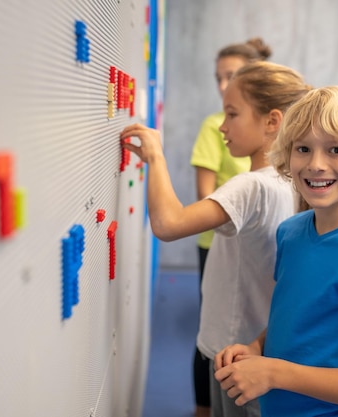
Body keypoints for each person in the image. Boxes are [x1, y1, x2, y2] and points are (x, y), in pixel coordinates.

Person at [120, 61, 311, 417]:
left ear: (272, 121)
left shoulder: (251, 185)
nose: (222, 127)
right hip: (264, 343)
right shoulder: (294, 182)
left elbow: (168, 223)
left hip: (234, 350)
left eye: (232, 114)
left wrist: (155, 156)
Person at [214, 86, 338, 416]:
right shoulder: (291, 232)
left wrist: (273, 372)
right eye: (303, 148)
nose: (316, 164)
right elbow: (292, 318)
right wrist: (257, 347)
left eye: (336, 150)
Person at [189, 37, 272, 417]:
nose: (224, 84)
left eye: (233, 76)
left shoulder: (264, 179)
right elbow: (203, 201)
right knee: (214, 333)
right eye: (219, 77)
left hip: (249, 239)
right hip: (216, 235)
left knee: (246, 327)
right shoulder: (216, 129)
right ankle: (203, 408)